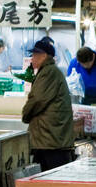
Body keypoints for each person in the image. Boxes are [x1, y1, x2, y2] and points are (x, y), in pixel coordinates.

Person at [21, 37, 75, 172]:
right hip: (49, 137)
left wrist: (25, 115)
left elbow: (38, 99)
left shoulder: (48, 72)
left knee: (52, 177)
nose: (32, 58)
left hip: (50, 138)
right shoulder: (49, 71)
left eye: (34, 55)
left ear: (44, 56)